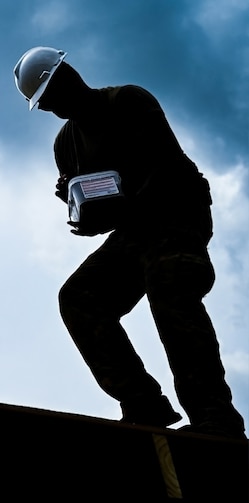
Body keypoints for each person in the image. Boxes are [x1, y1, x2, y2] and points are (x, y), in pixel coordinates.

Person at [13, 46, 245, 438]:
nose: (53, 107)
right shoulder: (65, 145)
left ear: (68, 75)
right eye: (46, 104)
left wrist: (113, 208)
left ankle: (214, 416)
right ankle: (143, 403)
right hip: (135, 229)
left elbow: (166, 170)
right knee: (80, 297)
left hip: (176, 213)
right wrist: (82, 210)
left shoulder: (126, 101)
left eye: (53, 95)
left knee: (170, 287)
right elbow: (101, 205)